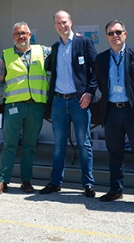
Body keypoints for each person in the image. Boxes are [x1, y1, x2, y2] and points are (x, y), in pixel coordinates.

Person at [94, 20, 134, 206]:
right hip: (111, 111)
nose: (115, 36)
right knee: (115, 154)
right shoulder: (101, 58)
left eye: (118, 32)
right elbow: (100, 83)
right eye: (111, 33)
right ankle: (115, 190)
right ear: (106, 37)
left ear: (125, 34)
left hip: (133, 111)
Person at [40, 10, 97, 198]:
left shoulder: (84, 42)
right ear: (55, 26)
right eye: (58, 23)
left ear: (71, 22)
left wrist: (89, 92)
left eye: (64, 22)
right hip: (58, 102)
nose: (62, 25)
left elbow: (96, 70)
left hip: (79, 101)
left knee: (84, 143)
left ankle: (88, 184)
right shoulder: (55, 48)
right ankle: (55, 182)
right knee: (58, 145)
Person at [0, 22, 50, 195]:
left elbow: (62, 53)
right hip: (14, 106)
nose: (21, 36)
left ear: (30, 35)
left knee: (30, 146)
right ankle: (3, 180)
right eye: (17, 34)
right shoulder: (6, 55)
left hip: (36, 106)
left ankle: (26, 181)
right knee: (9, 144)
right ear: (13, 36)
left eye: (24, 33)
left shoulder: (43, 52)